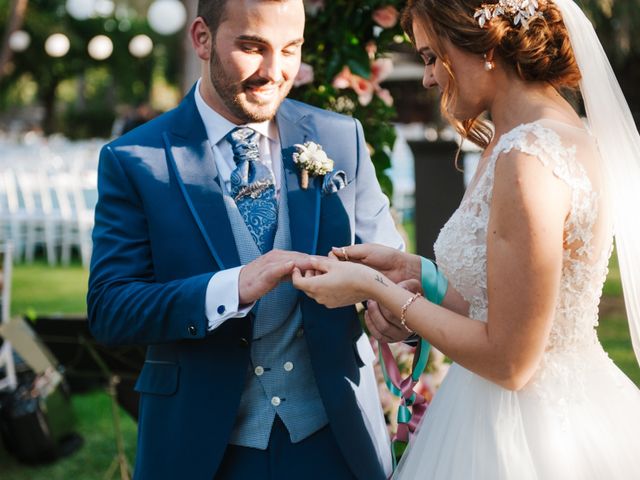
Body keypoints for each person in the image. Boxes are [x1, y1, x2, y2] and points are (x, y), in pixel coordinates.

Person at [292, 0, 640, 478]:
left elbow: (511, 362)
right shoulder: (538, 137)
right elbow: (503, 305)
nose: (428, 78)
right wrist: (411, 271)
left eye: (433, 57)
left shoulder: (528, 158)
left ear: (485, 43)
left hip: (527, 435)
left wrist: (374, 289)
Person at [87, 0, 404, 478]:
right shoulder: (136, 158)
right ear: (202, 38)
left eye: (290, 50)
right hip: (202, 447)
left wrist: (394, 312)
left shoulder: (340, 138)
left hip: (334, 438)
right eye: (253, 48)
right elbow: (111, 309)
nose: (275, 72)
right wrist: (230, 287)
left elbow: (389, 269)